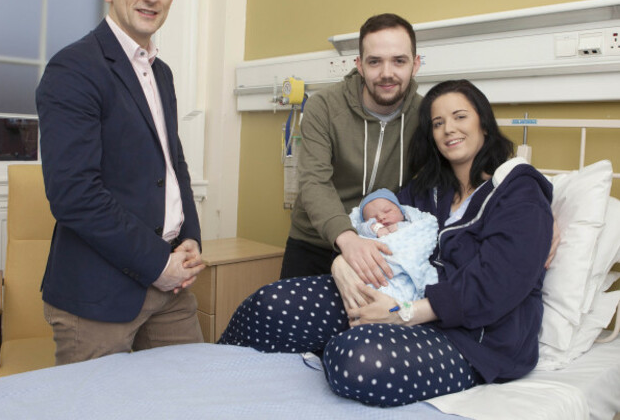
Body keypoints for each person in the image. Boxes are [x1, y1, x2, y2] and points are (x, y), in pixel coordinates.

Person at [219, 79, 553, 407]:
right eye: (438, 123)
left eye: (460, 116)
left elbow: (496, 285)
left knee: (355, 356)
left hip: (475, 339)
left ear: (484, 122)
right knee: (272, 304)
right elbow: (372, 223)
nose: (448, 128)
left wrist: (402, 314)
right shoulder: (428, 190)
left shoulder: (518, 192)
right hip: (397, 295)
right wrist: (340, 263)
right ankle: (205, 380)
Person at [36, 0, 205, 365]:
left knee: (190, 399)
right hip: (100, 296)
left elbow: (174, 164)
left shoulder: (159, 72)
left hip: (171, 288)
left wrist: (189, 238)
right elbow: (74, 195)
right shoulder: (74, 69)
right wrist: (157, 264)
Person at [282, 13, 423, 289]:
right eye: (374, 61)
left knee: (363, 330)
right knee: (291, 328)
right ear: (359, 65)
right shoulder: (323, 106)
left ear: (415, 64)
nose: (386, 73)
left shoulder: (425, 115)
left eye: (399, 60)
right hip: (315, 243)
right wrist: (347, 239)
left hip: (382, 247)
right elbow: (314, 182)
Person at [352, 188, 438, 303]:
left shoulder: (411, 225)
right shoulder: (371, 230)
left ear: (401, 211)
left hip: (409, 268)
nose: (381, 217)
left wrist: (399, 227)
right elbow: (361, 229)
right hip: (379, 274)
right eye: (373, 218)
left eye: (387, 211)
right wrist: (375, 227)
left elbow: (423, 233)